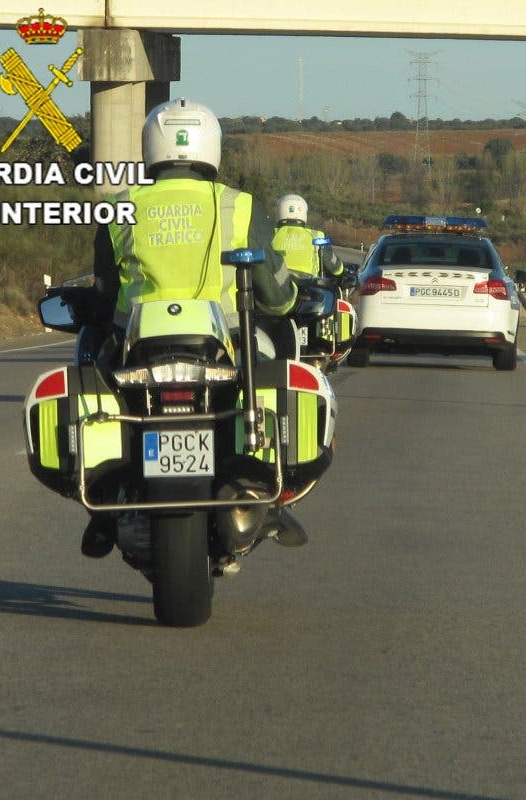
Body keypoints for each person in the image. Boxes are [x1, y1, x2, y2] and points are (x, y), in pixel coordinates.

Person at [81, 97, 297, 558]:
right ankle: (268, 490)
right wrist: (292, 298)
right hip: (224, 345)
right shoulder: (238, 206)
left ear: (150, 148)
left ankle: (103, 502)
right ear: (212, 148)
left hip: (138, 351)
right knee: (272, 374)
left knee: (92, 376)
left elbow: (102, 296)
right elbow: (277, 296)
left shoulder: (120, 208)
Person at [269, 193, 345, 282]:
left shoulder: (269, 235)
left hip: (279, 289)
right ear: (304, 213)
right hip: (309, 289)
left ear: (278, 212)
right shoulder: (317, 236)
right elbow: (337, 268)